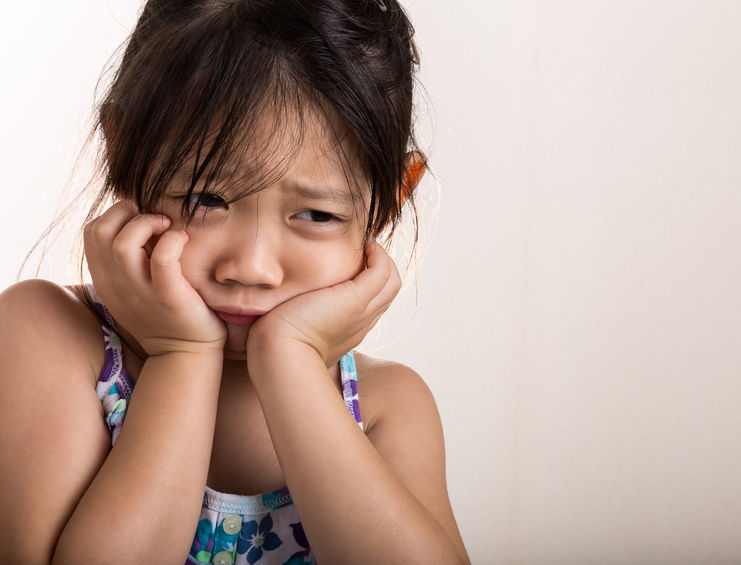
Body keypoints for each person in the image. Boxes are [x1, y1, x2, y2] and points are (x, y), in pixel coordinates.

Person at [0, 1, 470, 564]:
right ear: (122, 153)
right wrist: (182, 355)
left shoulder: (385, 408)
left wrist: (291, 363)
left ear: (389, 202)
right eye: (205, 201)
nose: (250, 267)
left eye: (316, 215)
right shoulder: (49, 339)